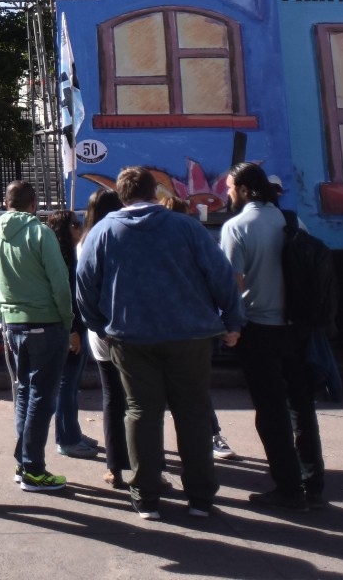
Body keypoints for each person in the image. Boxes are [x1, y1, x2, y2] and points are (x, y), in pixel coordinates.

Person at [77, 167, 243, 522]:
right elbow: (220, 274)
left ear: (121, 195)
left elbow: (84, 284)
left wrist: (98, 326)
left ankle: (146, 496)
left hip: (130, 336)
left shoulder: (103, 232)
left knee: (140, 412)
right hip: (190, 334)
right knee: (194, 412)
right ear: (155, 192)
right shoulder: (186, 227)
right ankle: (200, 497)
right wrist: (232, 320)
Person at [220, 162, 325, 513]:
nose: (227, 193)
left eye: (231, 187)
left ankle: (287, 487)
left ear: (246, 190)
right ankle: (313, 482)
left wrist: (231, 327)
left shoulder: (236, 228)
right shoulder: (293, 222)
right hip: (297, 328)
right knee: (301, 405)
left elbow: (232, 286)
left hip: (258, 330)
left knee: (270, 410)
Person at [0, 180, 74, 493]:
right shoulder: (41, 233)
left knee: (24, 392)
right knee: (41, 396)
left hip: (12, 324)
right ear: (33, 204)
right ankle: (33, 468)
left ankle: (25, 463)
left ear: (6, 202)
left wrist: (1, 317)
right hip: (46, 323)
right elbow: (60, 284)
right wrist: (67, 319)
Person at [81, 188, 134, 486]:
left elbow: (83, 288)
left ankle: (115, 467)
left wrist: (96, 324)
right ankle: (145, 464)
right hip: (127, 325)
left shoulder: (86, 240)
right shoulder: (121, 237)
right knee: (138, 398)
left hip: (100, 328)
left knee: (112, 397)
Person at [45, 208, 100, 460]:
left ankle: (72, 432)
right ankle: (66, 438)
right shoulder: (62, 258)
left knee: (72, 384)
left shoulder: (71, 255)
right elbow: (64, 297)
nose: (80, 229)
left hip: (76, 325)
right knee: (67, 385)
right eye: (76, 225)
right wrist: (72, 331)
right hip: (69, 328)